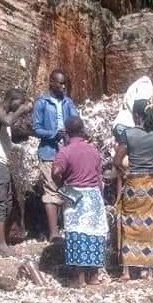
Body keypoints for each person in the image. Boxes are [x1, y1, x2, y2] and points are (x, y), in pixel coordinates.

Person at [113, 100, 153, 280]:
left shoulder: (127, 134)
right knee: (149, 225)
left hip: (133, 185)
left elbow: (116, 161)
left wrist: (126, 172)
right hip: (151, 186)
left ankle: (127, 271)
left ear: (136, 116)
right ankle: (148, 270)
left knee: (129, 223)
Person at [52, 117, 107, 289]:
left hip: (75, 196)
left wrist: (60, 185)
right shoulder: (93, 150)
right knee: (95, 234)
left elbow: (56, 171)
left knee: (77, 235)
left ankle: (80, 279)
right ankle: (95, 276)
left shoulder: (65, 151)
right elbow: (99, 177)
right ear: (82, 131)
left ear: (66, 132)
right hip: (94, 195)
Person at [0, 89, 32, 256]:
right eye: (19, 102)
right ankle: (1, 246)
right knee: (0, 203)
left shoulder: (6, 114)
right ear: (12, 100)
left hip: (1, 164)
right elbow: (8, 121)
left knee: (7, 203)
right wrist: (22, 109)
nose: (20, 106)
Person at [32, 70, 78, 241]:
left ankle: (67, 227)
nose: (64, 86)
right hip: (49, 152)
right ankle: (53, 233)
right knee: (51, 189)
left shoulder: (68, 102)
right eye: (61, 83)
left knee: (67, 189)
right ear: (52, 83)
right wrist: (53, 134)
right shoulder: (42, 103)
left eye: (65, 83)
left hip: (68, 152)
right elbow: (36, 129)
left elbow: (76, 121)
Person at [112, 64, 153, 143]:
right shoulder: (146, 84)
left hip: (122, 125)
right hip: (128, 126)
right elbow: (140, 105)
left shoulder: (139, 83)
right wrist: (145, 128)